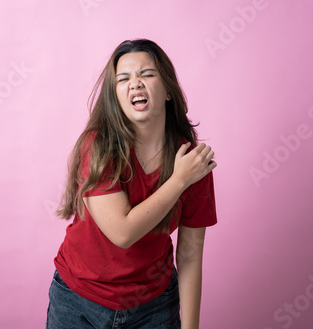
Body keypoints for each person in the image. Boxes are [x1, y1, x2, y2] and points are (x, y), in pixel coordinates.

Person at [46, 38, 217, 329]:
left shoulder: (192, 162)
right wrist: (179, 180)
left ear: (167, 91)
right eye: (123, 78)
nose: (135, 83)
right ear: (115, 97)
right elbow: (122, 232)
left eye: (147, 74)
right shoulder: (97, 146)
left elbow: (189, 255)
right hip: (78, 301)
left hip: (154, 306)